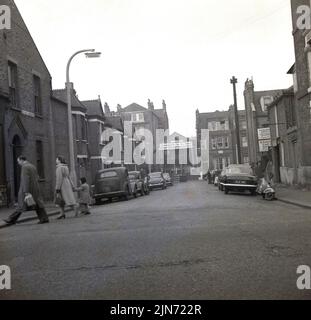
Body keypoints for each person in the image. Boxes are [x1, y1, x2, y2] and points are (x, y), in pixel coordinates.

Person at [3, 156, 49, 225]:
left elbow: (25, 180)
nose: (18, 163)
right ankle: (44, 218)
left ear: (22, 160)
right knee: (38, 204)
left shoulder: (24, 167)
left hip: (28, 189)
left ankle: (11, 219)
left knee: (21, 206)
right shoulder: (32, 166)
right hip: (35, 189)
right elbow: (38, 177)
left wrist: (26, 191)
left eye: (18, 161)